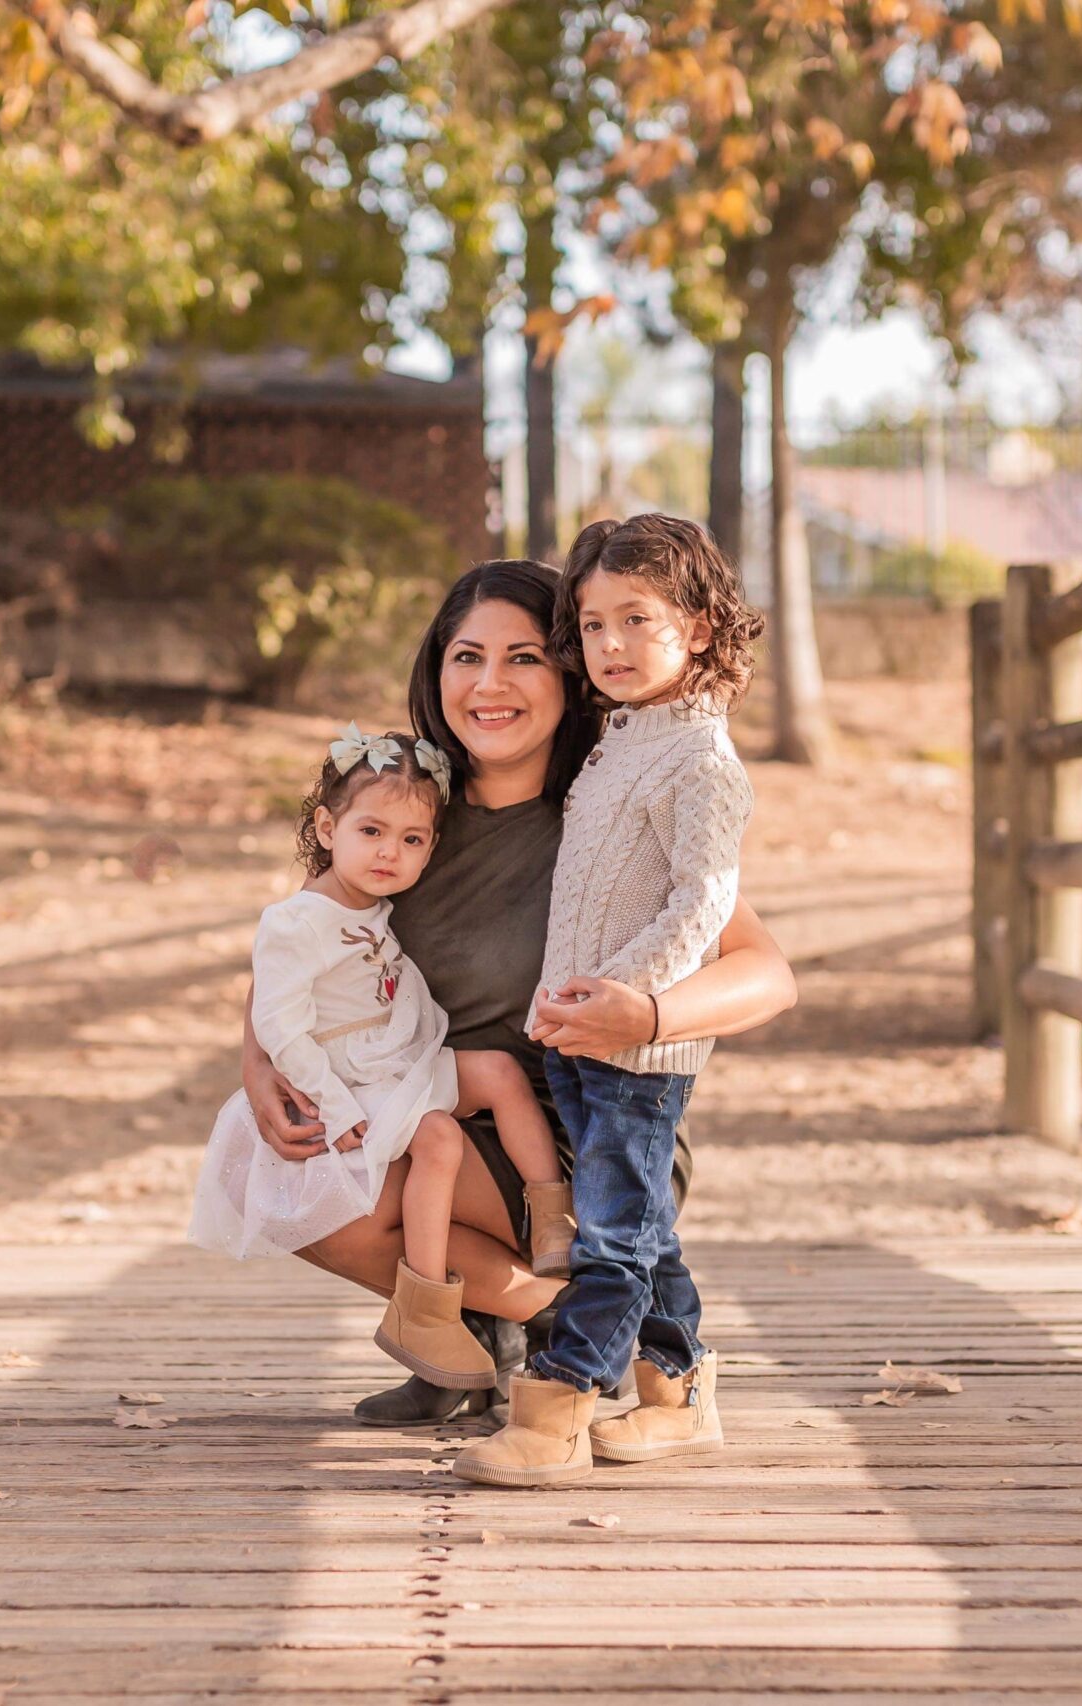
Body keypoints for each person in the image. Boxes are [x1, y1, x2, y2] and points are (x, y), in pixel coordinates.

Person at [237, 559, 797, 1427]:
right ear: (437, 672)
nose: (489, 684)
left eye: (525, 658)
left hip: (580, 1136)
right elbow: (301, 944)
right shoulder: (405, 814)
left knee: (357, 1185)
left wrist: (647, 1013)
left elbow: (768, 974)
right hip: (437, 1109)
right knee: (279, 1163)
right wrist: (255, 1065)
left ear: (571, 673)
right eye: (467, 657)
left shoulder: (613, 814)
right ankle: (490, 1333)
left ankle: (591, 1320)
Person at [456, 515, 762, 1488]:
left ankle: (557, 1405)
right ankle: (677, 1391)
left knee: (611, 1232)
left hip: (634, 1042)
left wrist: (628, 996)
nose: (612, 646)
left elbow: (704, 898)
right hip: (576, 1034)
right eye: (592, 625)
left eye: (638, 619)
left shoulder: (701, 759)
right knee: (638, 1225)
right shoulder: (619, 743)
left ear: (702, 626)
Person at [191, 726, 574, 1390]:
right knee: (439, 1139)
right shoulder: (296, 920)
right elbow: (280, 1023)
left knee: (498, 1075)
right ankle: (430, 1308)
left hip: (400, 1061)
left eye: (411, 841)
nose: (389, 853)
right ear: (327, 825)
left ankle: (552, 1217)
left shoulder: (373, 898)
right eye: (370, 832)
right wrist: (327, 1104)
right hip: (350, 1082)